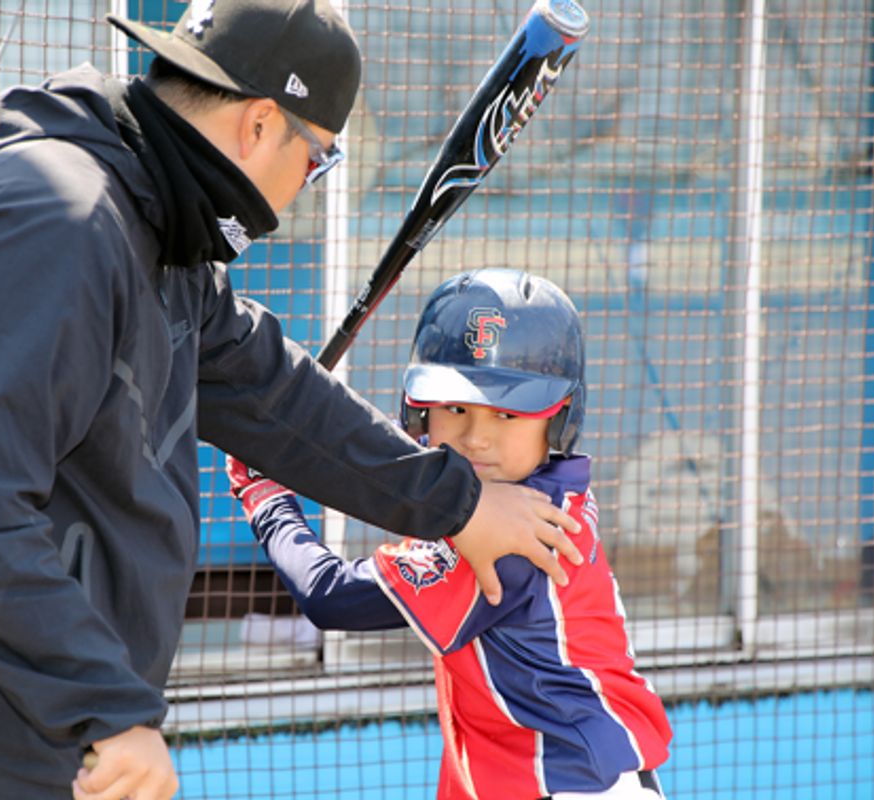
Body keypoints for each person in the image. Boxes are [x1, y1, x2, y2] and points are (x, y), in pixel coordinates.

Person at [0, 4, 584, 800]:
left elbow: (275, 395)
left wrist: (454, 502)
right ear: (260, 125)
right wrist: (108, 707)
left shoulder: (156, 235)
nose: (307, 186)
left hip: (1, 734)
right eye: (319, 159)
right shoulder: (61, 221)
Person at [227, 267, 674, 799]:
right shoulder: (529, 487)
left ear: (558, 420)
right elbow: (400, 479)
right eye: (455, 408)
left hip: (578, 785)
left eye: (508, 413)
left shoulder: (518, 533)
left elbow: (333, 598)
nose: (476, 438)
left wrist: (267, 498)